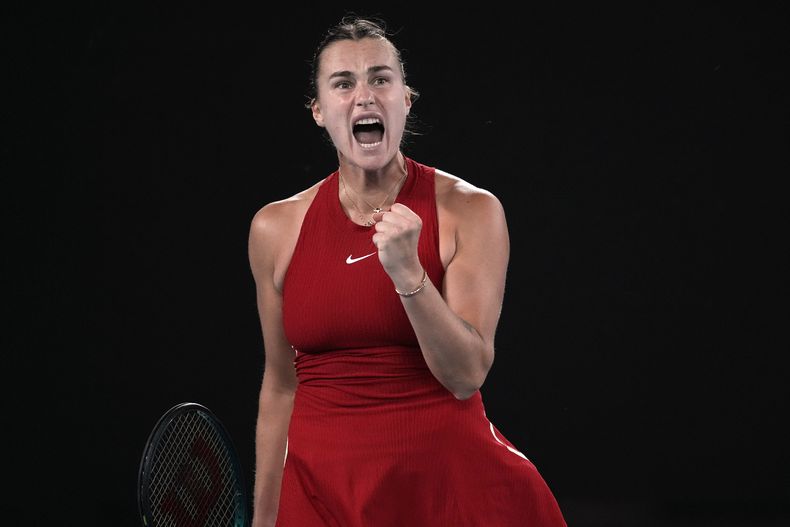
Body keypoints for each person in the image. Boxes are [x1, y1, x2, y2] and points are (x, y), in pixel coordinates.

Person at [247, 15, 567, 527]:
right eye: (343, 83)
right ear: (319, 111)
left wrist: (408, 276)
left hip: (446, 492)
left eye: (381, 78)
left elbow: (466, 375)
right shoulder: (275, 228)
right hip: (319, 497)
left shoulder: (471, 211)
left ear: (405, 99)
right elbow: (281, 385)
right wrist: (264, 520)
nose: (365, 95)